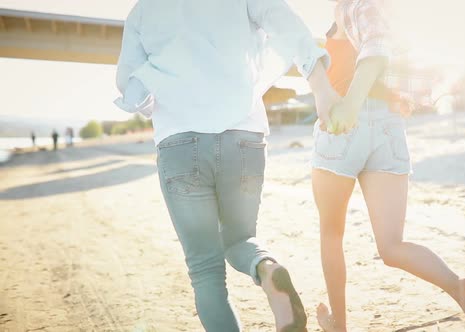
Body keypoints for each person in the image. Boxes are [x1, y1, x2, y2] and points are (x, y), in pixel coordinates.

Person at [115, 1, 339, 331]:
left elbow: (128, 85)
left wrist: (156, 98)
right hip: (243, 137)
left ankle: (265, 275)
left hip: (179, 142)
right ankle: (266, 269)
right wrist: (319, 85)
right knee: (239, 240)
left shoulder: (143, 10)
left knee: (205, 270)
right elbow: (285, 22)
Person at [311, 1, 465, 331]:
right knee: (392, 246)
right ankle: (461, 291)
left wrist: (352, 105)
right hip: (388, 126)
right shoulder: (364, 20)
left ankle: (338, 325)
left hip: (344, 122)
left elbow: (374, 48)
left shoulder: (352, 9)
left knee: (331, 234)